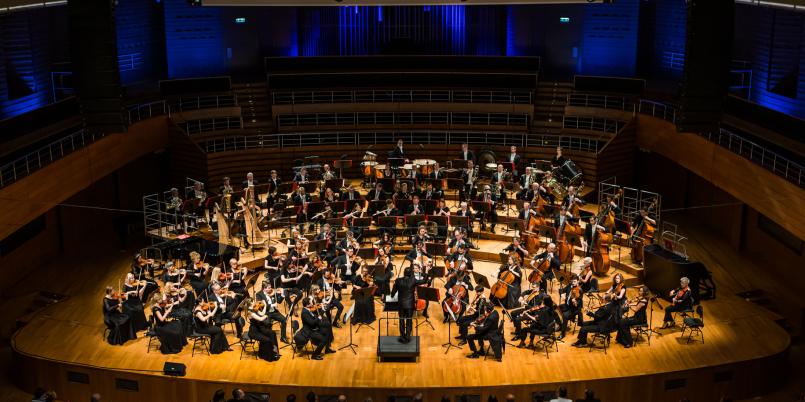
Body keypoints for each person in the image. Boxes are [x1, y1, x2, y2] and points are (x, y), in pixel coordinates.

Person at [391, 266, 417, 343]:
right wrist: (427, 273)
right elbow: (424, 281)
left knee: (401, 320)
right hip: (410, 305)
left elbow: (393, 292)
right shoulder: (413, 281)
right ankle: (408, 337)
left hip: (401, 305)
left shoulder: (398, 280)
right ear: (410, 274)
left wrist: (392, 295)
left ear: (404, 273)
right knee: (409, 320)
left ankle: (402, 337)